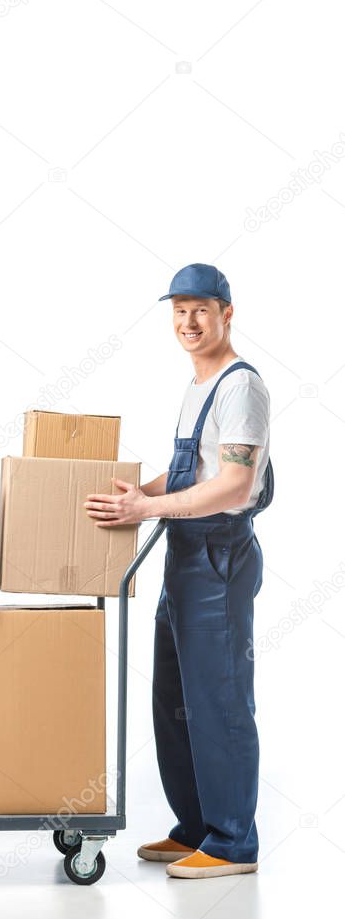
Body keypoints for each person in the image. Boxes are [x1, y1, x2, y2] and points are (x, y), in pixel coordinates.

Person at [85, 262, 273, 879]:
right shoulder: (199, 384)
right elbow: (192, 473)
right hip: (184, 555)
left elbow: (234, 483)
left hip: (218, 555)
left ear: (227, 314)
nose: (189, 322)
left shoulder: (240, 385)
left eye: (201, 309)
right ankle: (195, 826)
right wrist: (133, 496)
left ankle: (232, 843)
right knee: (175, 698)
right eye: (179, 310)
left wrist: (149, 508)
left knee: (217, 699)